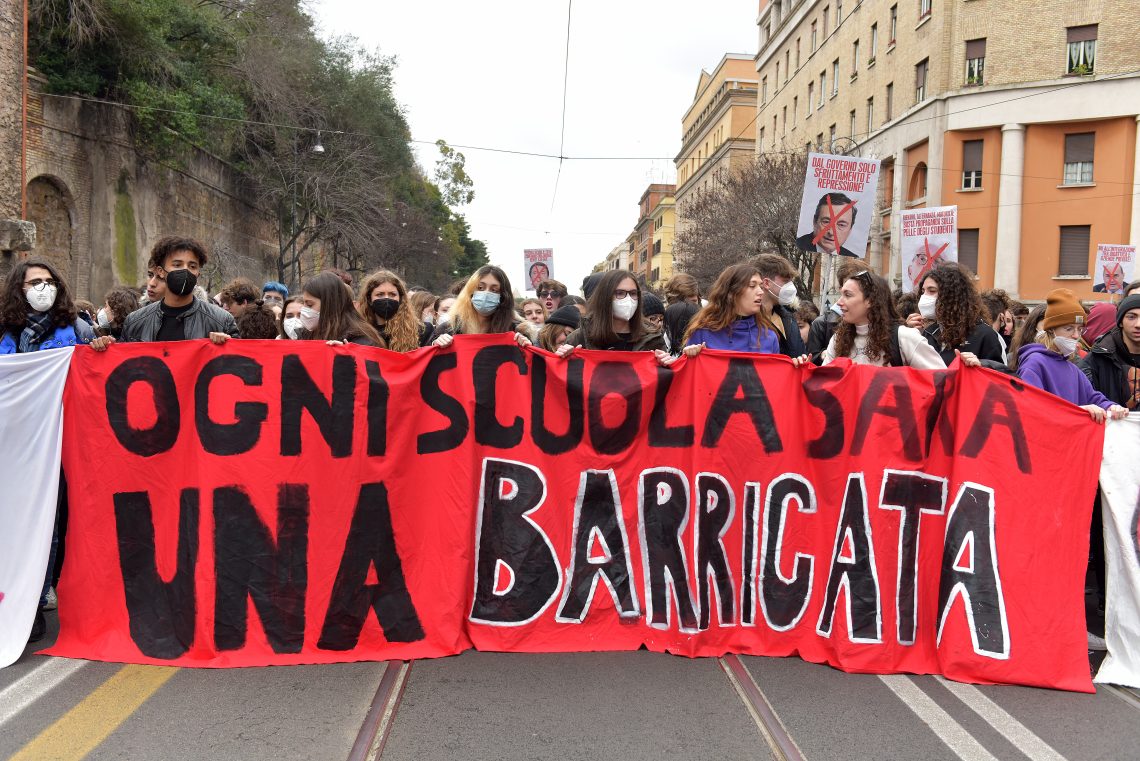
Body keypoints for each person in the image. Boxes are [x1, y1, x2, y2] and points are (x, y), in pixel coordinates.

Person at [90, 238, 236, 349]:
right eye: (177, 265)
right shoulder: (135, 322)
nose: (185, 270)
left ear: (198, 273)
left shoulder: (221, 321)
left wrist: (228, 346)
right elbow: (123, 370)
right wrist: (105, 347)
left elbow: (239, 372)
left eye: (192, 266)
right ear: (161, 271)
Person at [664, 260, 809, 366]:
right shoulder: (702, 333)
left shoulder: (769, 336)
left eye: (760, 286)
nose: (760, 291)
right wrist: (688, 358)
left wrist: (794, 367)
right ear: (731, 293)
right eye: (752, 286)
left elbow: (775, 383)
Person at [1015, 289, 1128, 423]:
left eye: (1080, 329)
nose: (1075, 335)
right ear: (1051, 329)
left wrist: (1111, 407)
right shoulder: (1035, 363)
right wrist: (1078, 411)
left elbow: (1093, 398)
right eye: (1069, 329)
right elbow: (1032, 408)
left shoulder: (1072, 367)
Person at [821, 270, 946, 368]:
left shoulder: (904, 337)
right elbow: (825, 384)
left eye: (847, 295)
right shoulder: (838, 339)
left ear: (870, 300)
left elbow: (941, 380)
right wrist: (804, 368)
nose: (839, 302)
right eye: (841, 294)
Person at [917, 262, 1005, 365]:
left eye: (932, 291)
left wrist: (982, 365)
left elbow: (999, 374)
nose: (924, 296)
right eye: (923, 291)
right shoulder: (929, 332)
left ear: (951, 295)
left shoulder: (985, 335)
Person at [558, 270, 665, 354]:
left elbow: (664, 378)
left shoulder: (653, 339)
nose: (628, 299)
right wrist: (563, 358)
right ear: (605, 297)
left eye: (633, 293)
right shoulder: (579, 337)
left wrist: (666, 364)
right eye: (620, 293)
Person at [432, 265, 531, 349]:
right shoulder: (449, 328)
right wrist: (436, 345)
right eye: (480, 288)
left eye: (494, 290)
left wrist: (527, 347)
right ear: (470, 291)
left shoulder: (517, 330)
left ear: (503, 296)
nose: (486, 293)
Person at [1080, 294, 1140, 411]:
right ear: (1120, 322)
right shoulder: (1097, 358)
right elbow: (1084, 398)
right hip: (1110, 427)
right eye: (1131, 317)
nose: (1138, 325)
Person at [807, 257, 870, 362]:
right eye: (847, 283)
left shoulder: (894, 333)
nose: (851, 286)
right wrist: (822, 356)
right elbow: (811, 361)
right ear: (841, 288)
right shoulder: (822, 325)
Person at [358, 270, 432, 351]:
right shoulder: (359, 332)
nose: (386, 298)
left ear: (400, 298)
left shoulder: (421, 331)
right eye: (380, 294)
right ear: (369, 299)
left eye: (392, 294)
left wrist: (439, 342)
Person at [797, 192, 858, 257]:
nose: (831, 232)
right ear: (815, 222)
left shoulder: (853, 256)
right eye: (826, 222)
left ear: (850, 229)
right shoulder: (798, 245)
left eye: (841, 225)